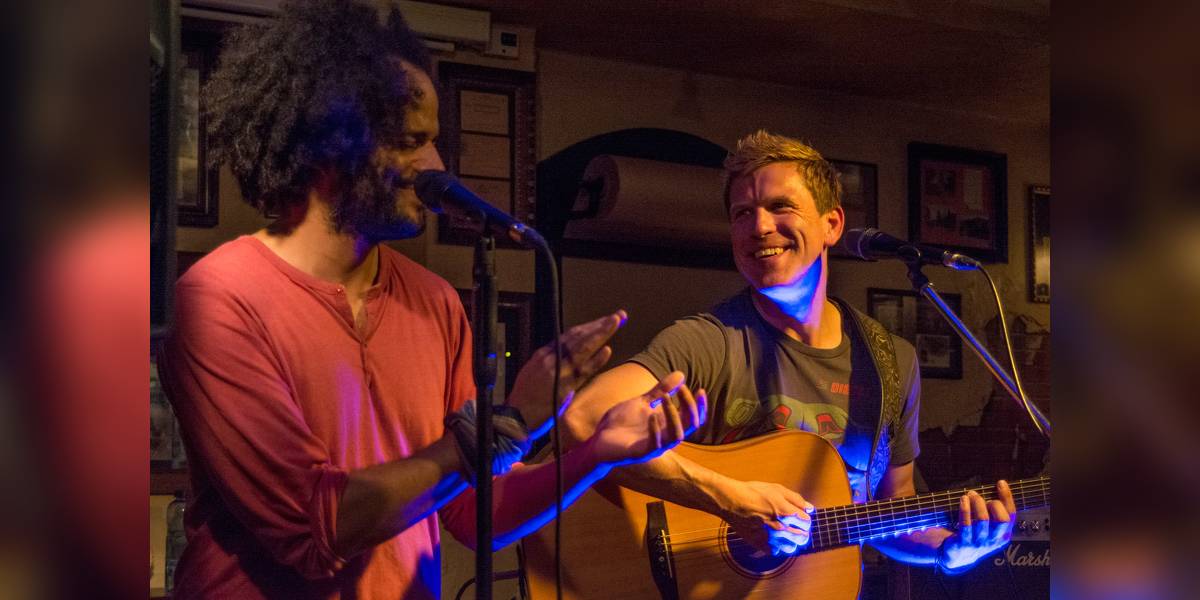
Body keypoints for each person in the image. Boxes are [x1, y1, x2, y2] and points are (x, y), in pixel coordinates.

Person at [157, 2, 704, 599]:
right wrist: (503, 426)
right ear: (329, 147)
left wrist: (596, 455)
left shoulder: (435, 302)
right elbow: (316, 528)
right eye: (409, 142)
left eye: (434, 141)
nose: (436, 166)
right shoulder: (219, 298)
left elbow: (473, 512)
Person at [564, 130, 1016, 573]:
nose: (759, 227)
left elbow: (890, 510)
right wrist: (728, 499)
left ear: (832, 225)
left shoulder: (890, 362)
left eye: (780, 206)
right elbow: (581, 419)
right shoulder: (708, 341)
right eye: (742, 213)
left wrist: (949, 552)